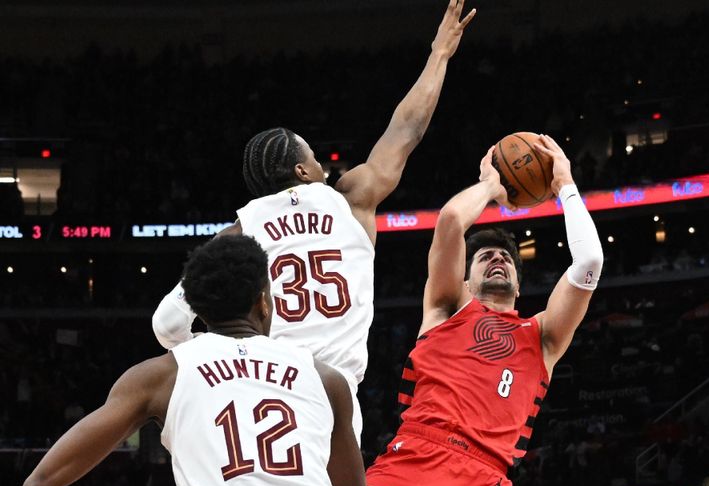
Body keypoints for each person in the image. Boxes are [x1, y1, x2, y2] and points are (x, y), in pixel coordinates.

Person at [151, 0, 476, 444]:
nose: (321, 164)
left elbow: (166, 326)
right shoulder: (351, 199)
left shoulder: (237, 235)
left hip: (260, 402)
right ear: (302, 172)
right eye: (314, 157)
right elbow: (407, 131)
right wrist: (439, 54)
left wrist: (219, 357)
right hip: (334, 401)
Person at [1, 236, 379, 486]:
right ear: (264, 302)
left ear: (198, 308)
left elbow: (41, 484)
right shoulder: (325, 377)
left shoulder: (161, 376)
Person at [360, 135, 604, 486]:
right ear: (466, 278)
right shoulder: (446, 307)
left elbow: (590, 259)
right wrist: (491, 186)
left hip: (480, 483)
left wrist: (565, 183)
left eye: (507, 258)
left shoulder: (544, 337)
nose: (498, 259)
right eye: (486, 256)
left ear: (518, 280)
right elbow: (451, 220)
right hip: (405, 465)